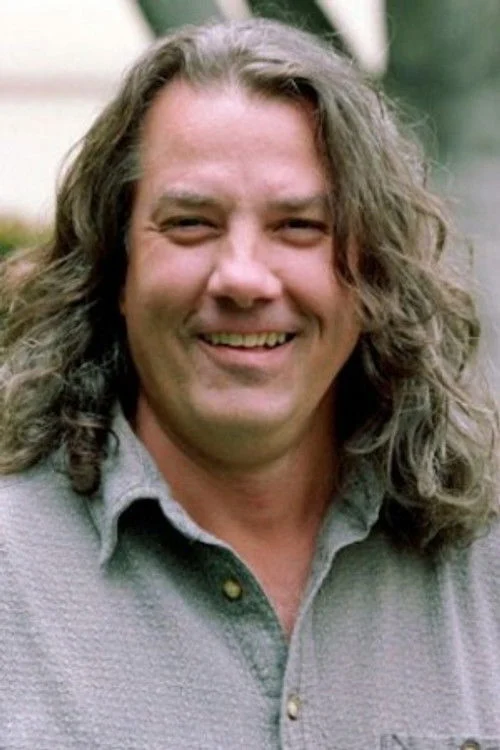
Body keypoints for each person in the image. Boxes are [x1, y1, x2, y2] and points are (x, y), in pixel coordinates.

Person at [1, 18, 499, 750]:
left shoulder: (482, 574)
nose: (242, 277)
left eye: (298, 226)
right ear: (116, 270)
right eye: (190, 223)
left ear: (373, 277)